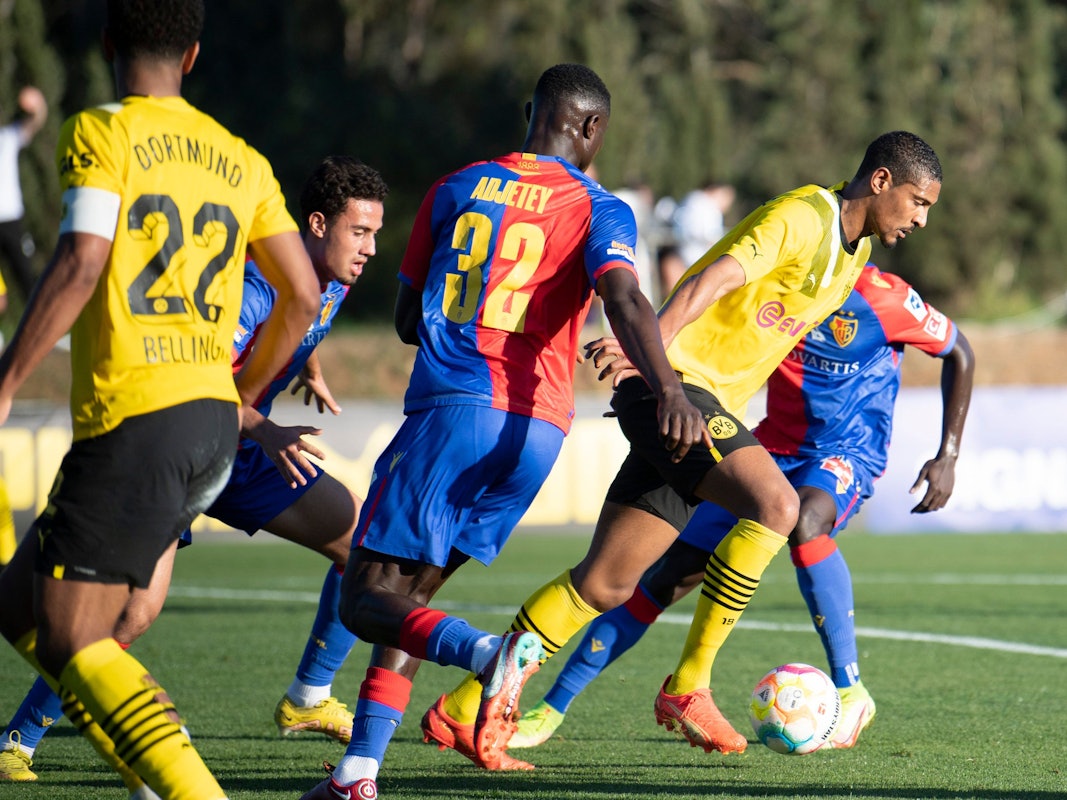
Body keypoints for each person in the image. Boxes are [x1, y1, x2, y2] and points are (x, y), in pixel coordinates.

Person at [427, 130, 943, 767]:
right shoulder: (804, 216)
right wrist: (648, 350)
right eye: (919, 202)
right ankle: (690, 685)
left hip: (698, 406)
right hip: (673, 391)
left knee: (605, 582)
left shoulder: (854, 255)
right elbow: (715, 279)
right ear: (883, 182)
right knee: (777, 507)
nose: (922, 219)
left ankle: (455, 707)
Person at [299, 63, 708, 800]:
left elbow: (402, 321)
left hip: (454, 412)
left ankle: (492, 654)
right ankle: (358, 776)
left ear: (531, 113)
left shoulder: (455, 187)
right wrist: (668, 387)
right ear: (590, 129)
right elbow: (623, 296)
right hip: (536, 433)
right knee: (409, 602)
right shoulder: (599, 207)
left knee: (364, 597)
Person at [0, 2, 322, 798]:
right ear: (194, 54)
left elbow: (81, 264)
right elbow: (304, 294)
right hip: (211, 421)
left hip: (138, 415)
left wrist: (4, 381)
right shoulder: (239, 157)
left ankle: (188, 788)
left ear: (110, 43)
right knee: (18, 603)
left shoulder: (102, 131)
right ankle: (147, 774)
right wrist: (243, 391)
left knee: (76, 635)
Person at [0, 155, 387, 785]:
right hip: (180, 447)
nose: (371, 248)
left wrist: (306, 365)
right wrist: (265, 426)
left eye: (374, 232)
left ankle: (308, 698)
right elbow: (197, 381)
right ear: (317, 225)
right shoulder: (257, 285)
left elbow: (300, 328)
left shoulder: (333, 278)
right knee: (131, 615)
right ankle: (18, 738)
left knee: (364, 545)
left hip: (241, 451)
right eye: (360, 232)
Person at [509, 262, 975, 751]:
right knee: (665, 575)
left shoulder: (887, 299)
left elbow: (959, 352)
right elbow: (706, 329)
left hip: (847, 453)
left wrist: (949, 455)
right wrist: (650, 387)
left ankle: (850, 687)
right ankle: (551, 708)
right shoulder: (777, 288)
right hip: (770, 447)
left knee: (805, 519)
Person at [0, 84, 48, 303]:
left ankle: (42, 330)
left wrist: (39, 106)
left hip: (10, 219)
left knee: (27, 277)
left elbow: (35, 122)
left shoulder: (8, 136)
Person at [671, 179, 736, 268]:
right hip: (696, 259)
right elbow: (711, 237)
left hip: (685, 256)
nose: (728, 204)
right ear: (717, 191)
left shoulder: (693, 199)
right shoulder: (706, 206)